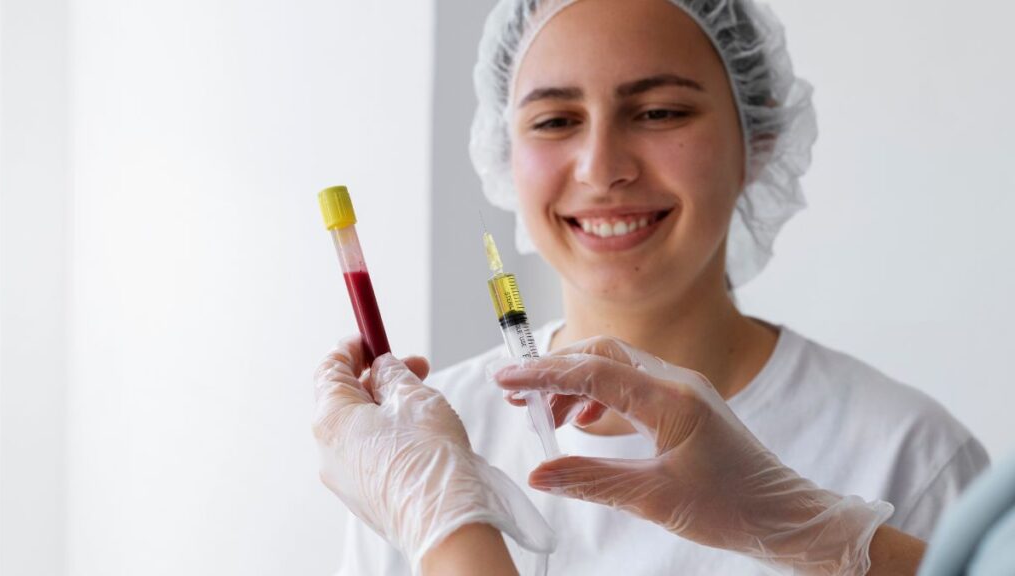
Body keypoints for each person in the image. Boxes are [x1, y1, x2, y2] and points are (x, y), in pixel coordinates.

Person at [321, 0, 989, 573]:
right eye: (555, 120)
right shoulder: (418, 453)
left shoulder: (909, 454)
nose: (602, 167)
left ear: (759, 135)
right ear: (504, 150)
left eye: (660, 112)